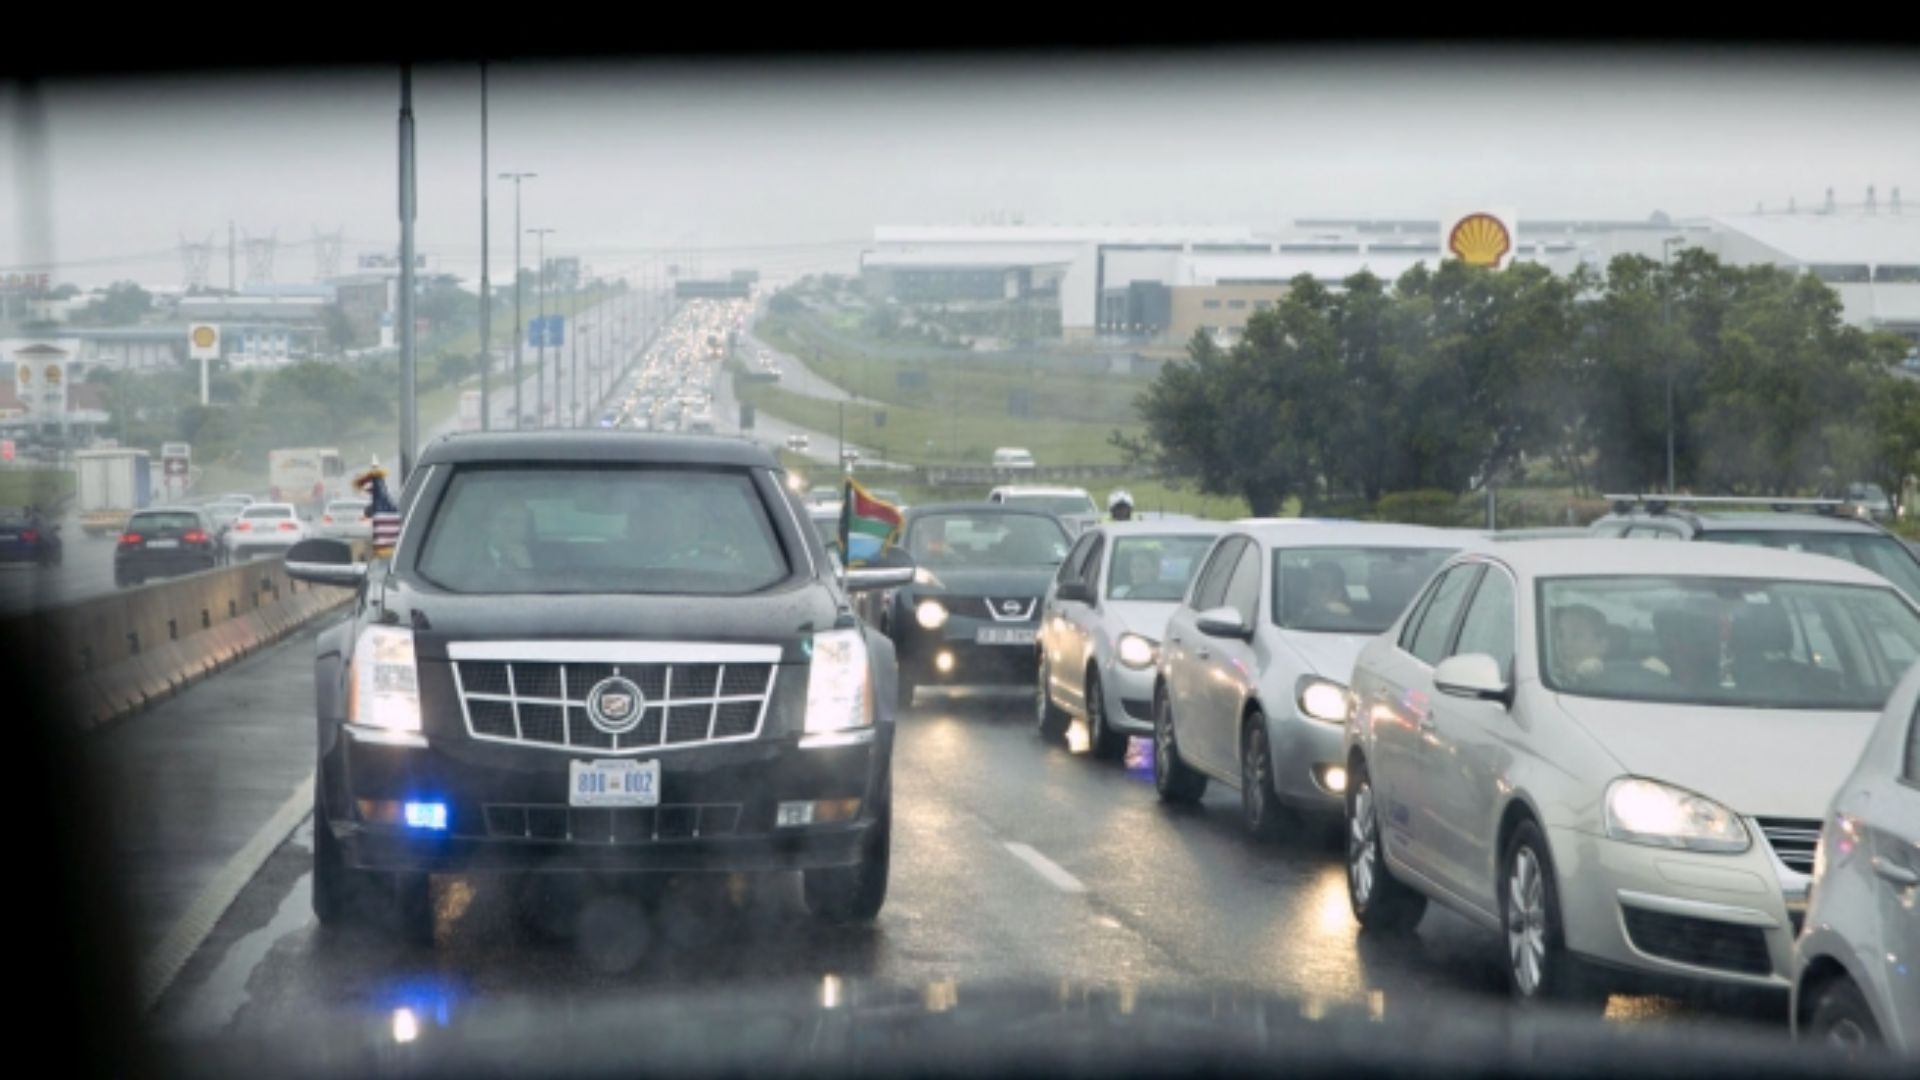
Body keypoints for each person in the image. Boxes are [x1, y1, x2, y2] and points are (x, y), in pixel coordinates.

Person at [1550, 604, 1613, 685]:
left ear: (1602, 645)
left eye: (1577, 636)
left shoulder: (1610, 684)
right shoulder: (1550, 676)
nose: (1565, 644)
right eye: (1560, 635)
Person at [482, 500, 535, 571]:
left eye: (522, 522)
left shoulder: (542, 559)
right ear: (488, 525)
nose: (516, 528)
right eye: (507, 520)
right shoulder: (469, 559)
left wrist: (527, 567)